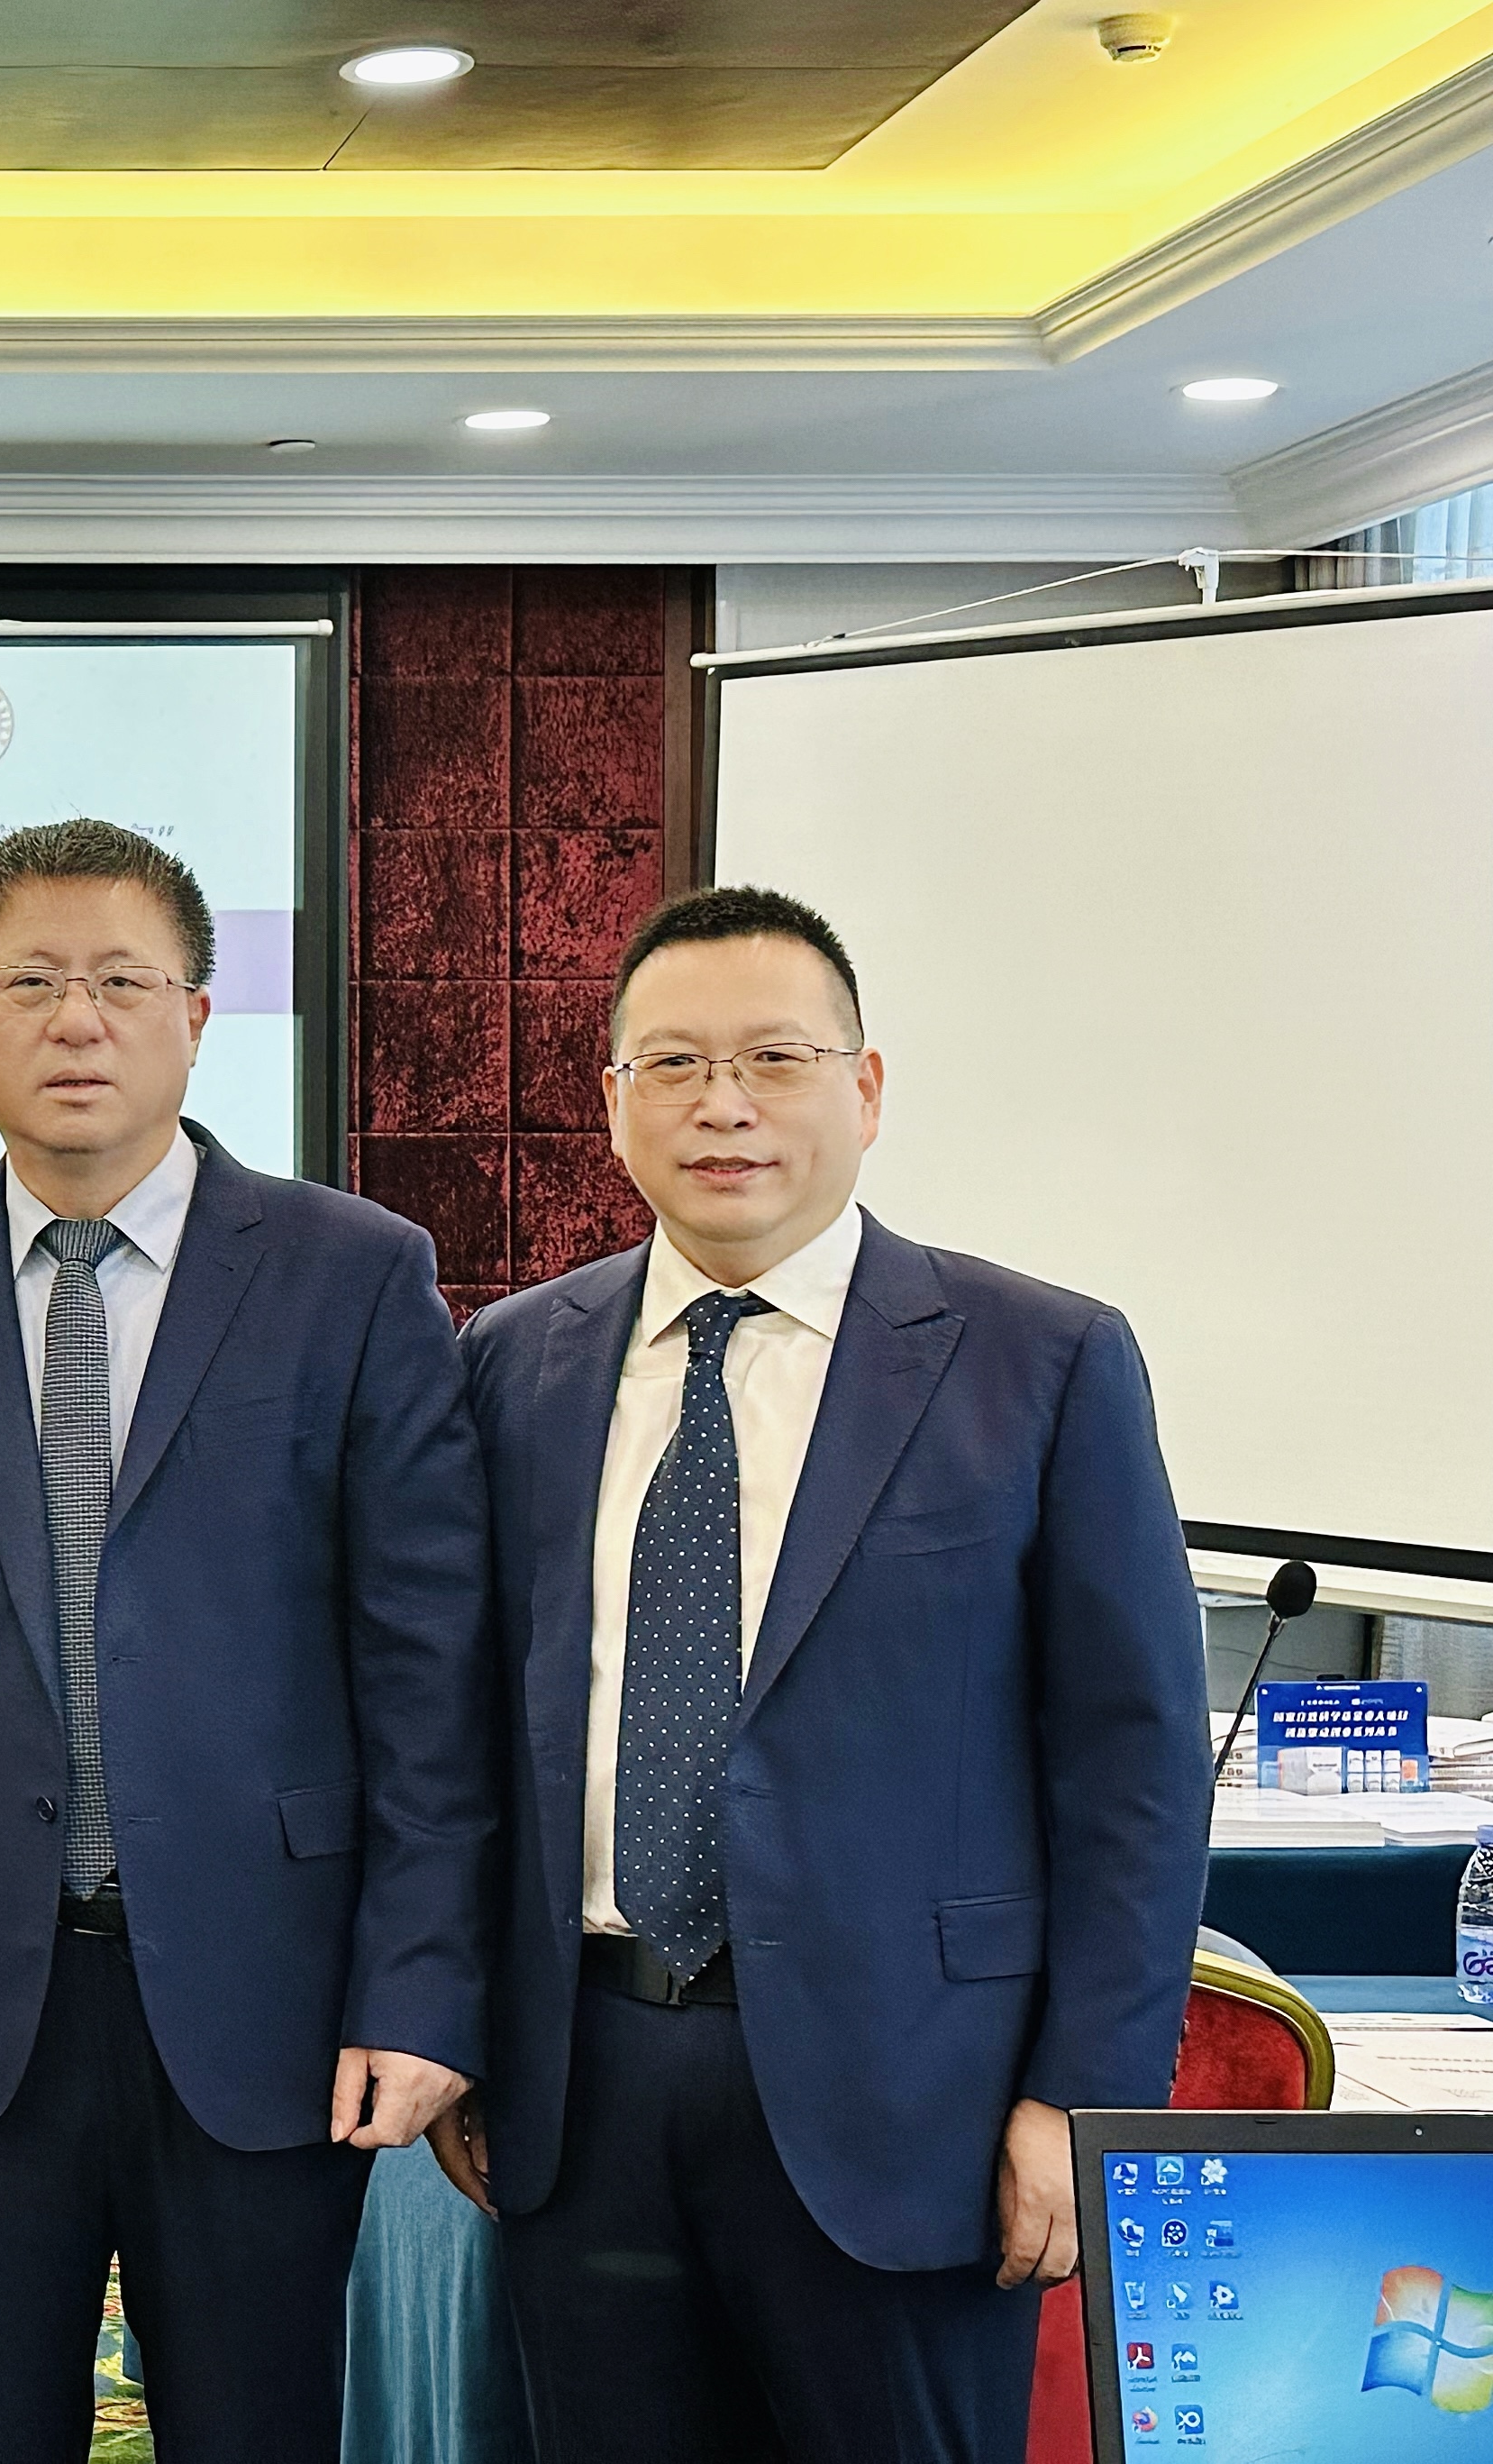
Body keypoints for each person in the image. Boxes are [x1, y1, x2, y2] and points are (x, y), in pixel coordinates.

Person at [435, 885, 1212, 2464]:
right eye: (672, 1064)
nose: (722, 1104)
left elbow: (1132, 1772)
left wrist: (1081, 2100)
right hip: (585, 2080)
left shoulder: (1039, 1360)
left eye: (774, 1059)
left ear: (864, 1088)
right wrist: (453, 2021)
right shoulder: (514, 1362)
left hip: (918, 2098)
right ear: (613, 1101)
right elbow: (460, 1734)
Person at [0, 817, 496, 2464]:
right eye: (29, 982)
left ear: (199, 1015)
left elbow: (428, 1669)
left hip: (270, 1991)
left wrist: (422, 1984)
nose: (75, 1020)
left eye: (120, 981)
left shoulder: (352, 1274)